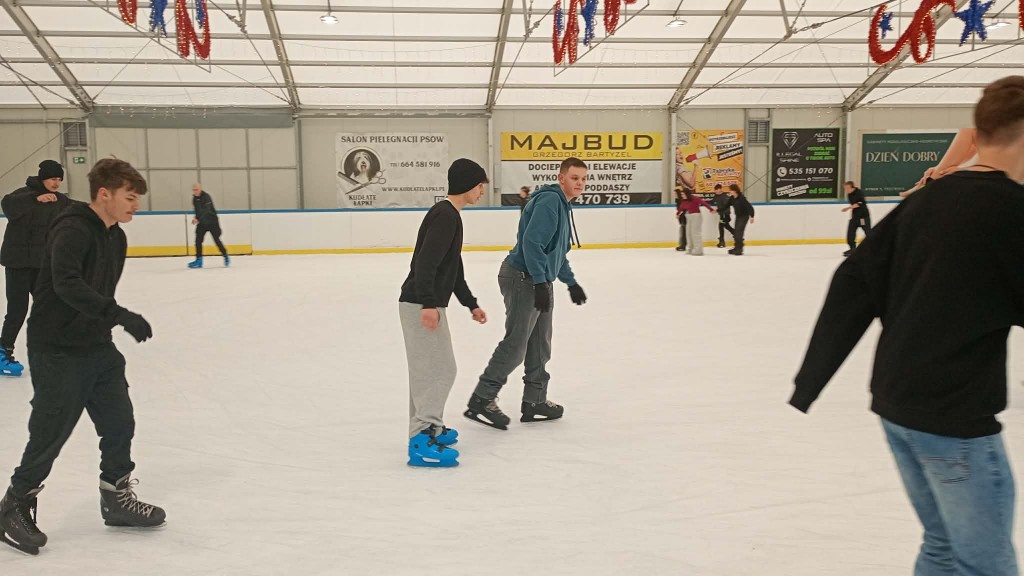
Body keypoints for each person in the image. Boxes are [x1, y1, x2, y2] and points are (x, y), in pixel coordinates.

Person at [791, 76, 1024, 575]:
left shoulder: (925, 199)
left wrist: (810, 381)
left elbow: (854, 280)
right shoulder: (1011, 210)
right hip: (953, 416)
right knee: (986, 564)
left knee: (943, 545)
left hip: (897, 404)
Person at [0, 158, 165, 556]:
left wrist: (107, 322)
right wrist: (119, 315)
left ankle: (116, 498)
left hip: (97, 346)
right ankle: (13, 506)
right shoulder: (72, 229)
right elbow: (66, 283)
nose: (136, 205)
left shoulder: (115, 237)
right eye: (130, 197)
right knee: (51, 432)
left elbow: (99, 289)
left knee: (119, 423)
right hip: (56, 347)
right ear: (104, 194)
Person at [464, 157, 587, 430]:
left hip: (538, 278)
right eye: (574, 177)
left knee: (540, 343)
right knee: (517, 343)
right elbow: (532, 243)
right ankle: (482, 398)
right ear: (561, 178)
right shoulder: (550, 201)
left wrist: (570, 283)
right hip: (523, 277)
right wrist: (541, 283)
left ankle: (535, 400)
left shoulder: (563, 205)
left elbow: (556, 253)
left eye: (583, 179)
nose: (580, 183)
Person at [399, 159, 490, 468]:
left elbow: (453, 269)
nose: (482, 192)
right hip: (420, 303)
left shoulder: (450, 215)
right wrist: (427, 303)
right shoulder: (445, 216)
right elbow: (425, 263)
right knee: (439, 371)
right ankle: (422, 440)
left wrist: (471, 303)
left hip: (424, 302)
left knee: (429, 370)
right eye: (479, 185)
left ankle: (429, 429)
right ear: (468, 185)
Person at [0, 160, 71, 376]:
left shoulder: (59, 200)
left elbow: (78, 208)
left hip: (40, 265)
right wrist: (34, 199)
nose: (56, 183)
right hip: (18, 264)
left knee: (49, 307)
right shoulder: (24, 194)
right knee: (17, 309)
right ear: (42, 179)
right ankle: (3, 352)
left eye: (59, 179)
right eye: (52, 179)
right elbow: (7, 205)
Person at [187, 183, 229, 269]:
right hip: (202, 223)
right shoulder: (194, 199)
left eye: (196, 189)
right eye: (194, 190)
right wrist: (196, 218)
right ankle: (199, 260)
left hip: (212, 222)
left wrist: (198, 218)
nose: (195, 191)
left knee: (217, 240)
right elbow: (197, 210)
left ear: (200, 189)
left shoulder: (206, 197)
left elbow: (206, 210)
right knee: (198, 240)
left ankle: (225, 255)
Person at [677, 188, 716, 256]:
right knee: (688, 233)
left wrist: (711, 209)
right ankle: (690, 248)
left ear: (687, 194)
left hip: (696, 216)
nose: (682, 196)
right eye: (682, 194)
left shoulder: (695, 198)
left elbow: (704, 203)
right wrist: (677, 214)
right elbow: (681, 207)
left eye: (683, 194)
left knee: (695, 233)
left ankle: (698, 250)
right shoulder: (684, 200)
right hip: (688, 216)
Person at [841, 181, 871, 257]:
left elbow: (858, 204)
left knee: (868, 233)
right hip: (855, 217)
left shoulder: (859, 193)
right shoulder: (849, 195)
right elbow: (853, 205)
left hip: (863, 217)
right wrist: (852, 216)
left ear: (852, 187)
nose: (846, 190)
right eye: (845, 189)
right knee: (850, 233)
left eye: (847, 188)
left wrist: (848, 208)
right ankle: (853, 249)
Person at [726, 184, 754, 256]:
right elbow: (726, 206)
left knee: (739, 233)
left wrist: (752, 216)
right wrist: (717, 210)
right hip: (738, 217)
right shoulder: (732, 198)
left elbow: (749, 207)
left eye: (731, 190)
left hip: (744, 217)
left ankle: (739, 250)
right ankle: (737, 247)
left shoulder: (741, 198)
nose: (730, 191)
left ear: (735, 191)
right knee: (736, 233)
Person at [713, 183, 735, 248]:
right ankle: (736, 234)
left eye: (717, 190)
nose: (716, 191)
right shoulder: (716, 196)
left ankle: (722, 241)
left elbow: (726, 206)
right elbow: (712, 201)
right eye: (715, 190)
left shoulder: (725, 196)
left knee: (721, 226)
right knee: (725, 226)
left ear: (720, 189)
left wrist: (717, 210)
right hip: (721, 214)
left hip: (725, 214)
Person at [673, 187, 688, 252]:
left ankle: (683, 245)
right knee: (682, 231)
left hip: (684, 218)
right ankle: (682, 244)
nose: (674, 195)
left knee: (683, 232)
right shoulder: (678, 200)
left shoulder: (681, 201)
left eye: (675, 193)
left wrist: (679, 214)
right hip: (682, 218)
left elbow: (683, 209)